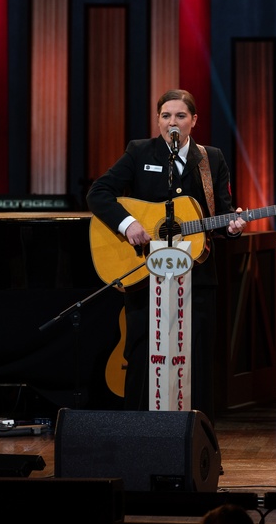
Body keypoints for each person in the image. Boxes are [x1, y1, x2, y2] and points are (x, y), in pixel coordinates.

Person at [87, 89, 246, 423]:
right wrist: (128, 224)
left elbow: (224, 213)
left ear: (194, 121)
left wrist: (232, 227)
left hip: (197, 279)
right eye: (166, 116)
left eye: (180, 116)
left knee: (198, 359)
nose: (172, 123)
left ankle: (197, 440)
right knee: (141, 353)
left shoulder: (210, 159)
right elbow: (98, 192)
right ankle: (136, 436)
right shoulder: (139, 151)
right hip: (145, 276)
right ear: (158, 119)